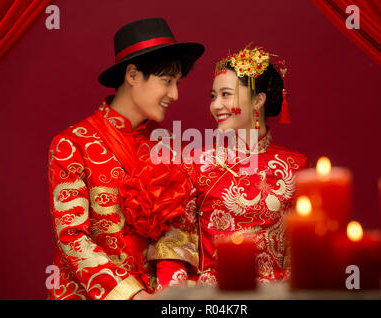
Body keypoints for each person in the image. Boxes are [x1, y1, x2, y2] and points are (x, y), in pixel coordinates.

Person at [47, 17, 204, 300]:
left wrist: (167, 295)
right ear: (132, 75)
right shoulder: (72, 144)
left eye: (177, 83)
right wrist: (133, 296)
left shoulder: (169, 146)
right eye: (167, 81)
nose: (175, 94)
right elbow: (72, 237)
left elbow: (178, 230)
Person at [178, 44, 309, 286]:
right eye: (213, 96)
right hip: (212, 298)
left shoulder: (295, 166)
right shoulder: (195, 162)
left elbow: (302, 250)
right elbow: (177, 243)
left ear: (258, 99)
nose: (216, 106)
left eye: (226, 94)